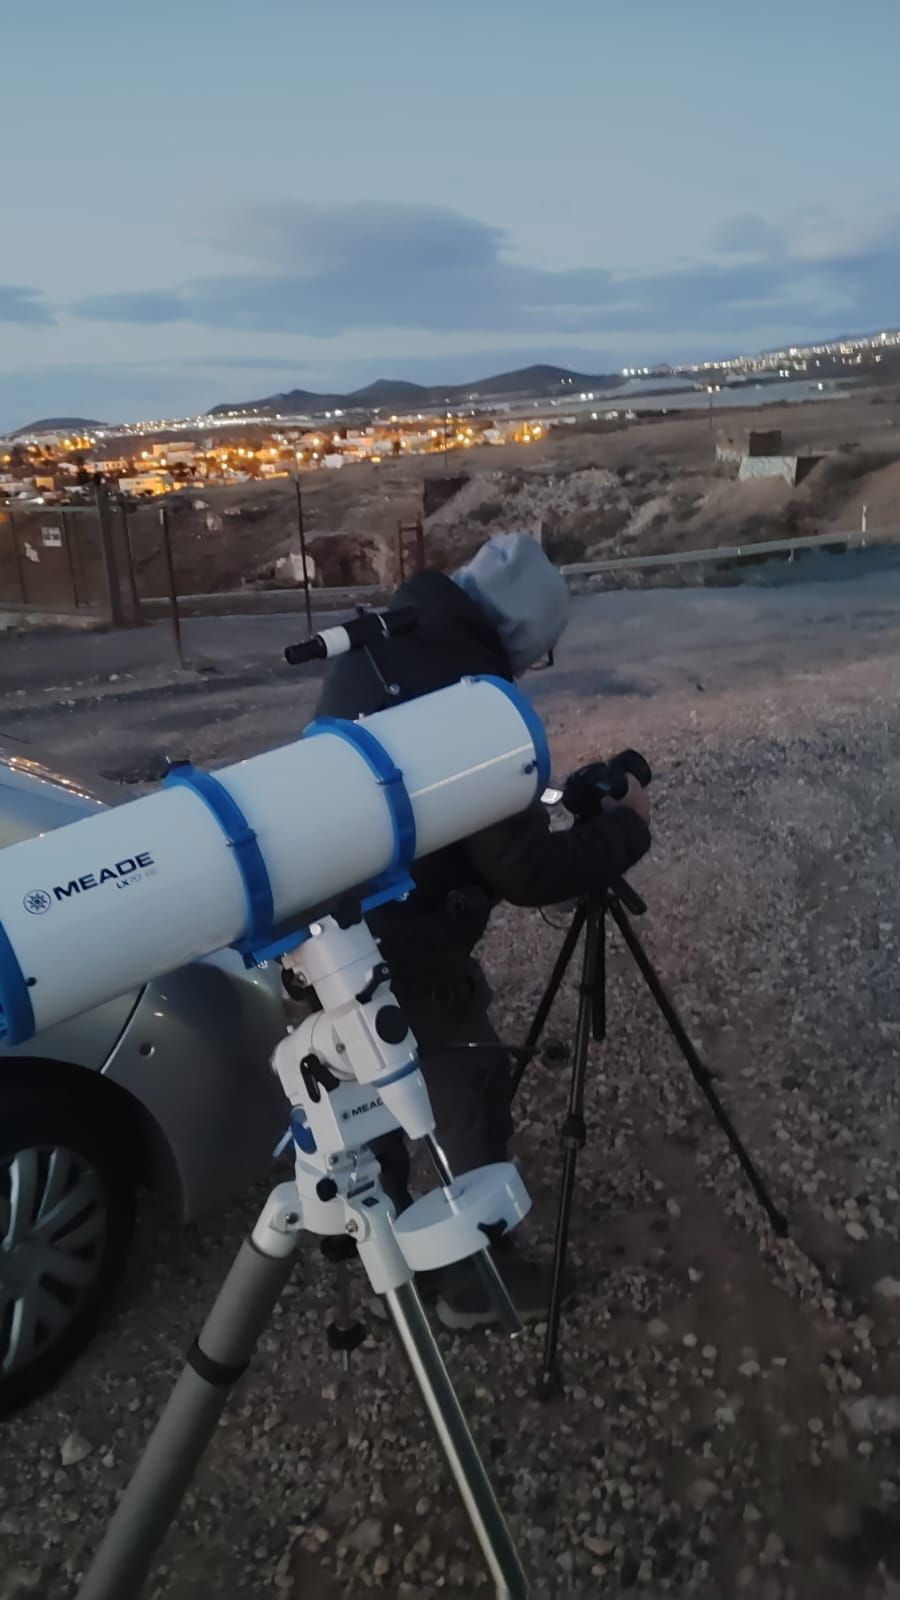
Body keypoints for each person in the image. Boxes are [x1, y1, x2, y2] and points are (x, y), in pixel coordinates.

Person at [316, 532, 651, 1328]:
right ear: (524, 639)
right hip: (408, 938)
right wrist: (627, 832)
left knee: (361, 1082)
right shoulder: (472, 701)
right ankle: (477, 1283)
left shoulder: (376, 647)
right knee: (468, 1084)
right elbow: (523, 873)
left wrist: (545, 804)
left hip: (322, 917)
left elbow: (432, 802)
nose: (533, 673)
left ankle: (378, 1244)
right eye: (539, 657)